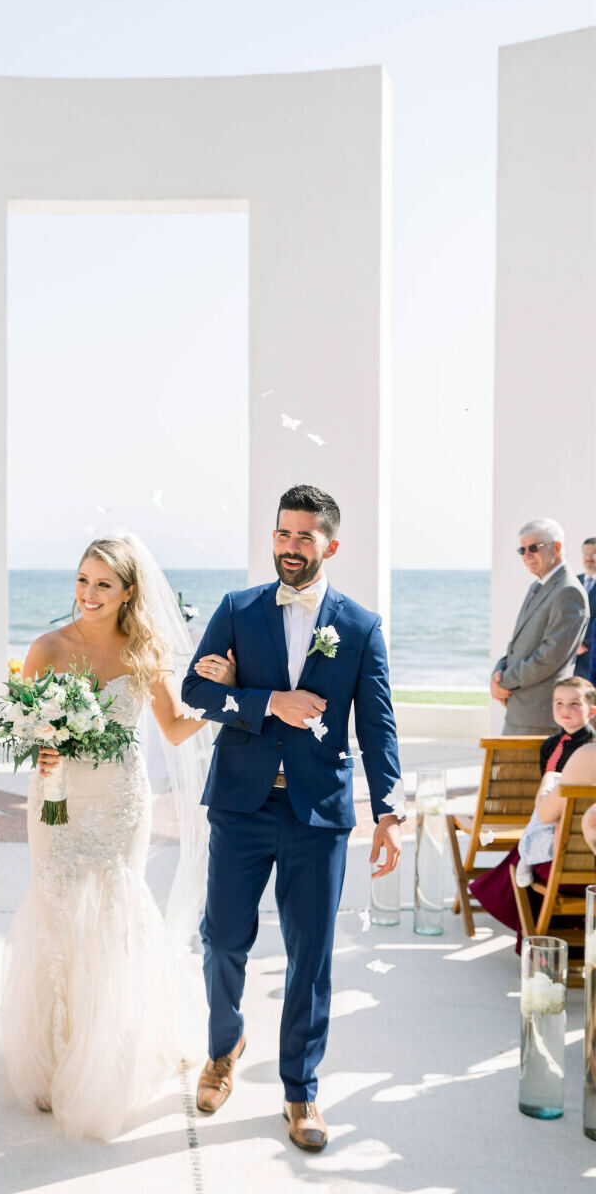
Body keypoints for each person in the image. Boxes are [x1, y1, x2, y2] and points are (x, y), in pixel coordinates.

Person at [181, 484, 403, 1153]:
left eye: (304, 537)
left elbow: (380, 725)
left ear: (330, 544)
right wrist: (266, 700)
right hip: (242, 805)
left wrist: (388, 810)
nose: (290, 547)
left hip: (319, 813)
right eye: (282, 534)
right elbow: (195, 691)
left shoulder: (360, 627)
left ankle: (300, 1088)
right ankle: (224, 1047)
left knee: (312, 955)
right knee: (222, 939)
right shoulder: (236, 609)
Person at [2, 535, 225, 1141]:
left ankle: (109, 1054)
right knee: (56, 911)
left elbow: (176, 729)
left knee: (112, 916)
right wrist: (41, 750)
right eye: (82, 580)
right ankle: (55, 1053)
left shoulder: (143, 651)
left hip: (122, 804)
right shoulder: (46, 648)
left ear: (129, 591)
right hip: (59, 800)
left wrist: (223, 695)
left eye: (103, 583)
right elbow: (24, 730)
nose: (89, 594)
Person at [469, 676, 596, 945]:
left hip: (567, 841)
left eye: (574, 704)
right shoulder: (551, 745)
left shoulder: (586, 751)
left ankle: (532, 929)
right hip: (563, 829)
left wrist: (549, 786)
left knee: (522, 855)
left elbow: (549, 806)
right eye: (559, 703)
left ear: (591, 710)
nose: (565, 710)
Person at [491, 518, 589, 735]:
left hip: (539, 715)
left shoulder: (568, 591)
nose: (526, 556)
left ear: (556, 547)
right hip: (520, 710)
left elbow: (549, 656)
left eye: (534, 548)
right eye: (522, 550)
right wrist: (497, 672)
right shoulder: (538, 586)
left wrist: (504, 681)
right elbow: (517, 644)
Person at [575, 538, 596, 678]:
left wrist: (581, 641)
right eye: (586, 553)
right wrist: (572, 643)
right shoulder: (574, 581)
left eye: (594, 553)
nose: (589, 557)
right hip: (571, 658)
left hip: (591, 654)